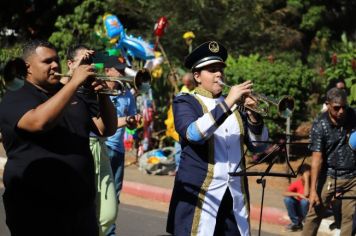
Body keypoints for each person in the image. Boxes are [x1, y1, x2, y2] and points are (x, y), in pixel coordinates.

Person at [0, 39, 117, 236]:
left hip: (80, 209)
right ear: (27, 67)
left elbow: (105, 129)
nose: (55, 65)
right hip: (35, 210)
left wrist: (103, 94)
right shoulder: (16, 95)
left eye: (56, 60)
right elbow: (39, 122)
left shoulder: (71, 94)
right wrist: (73, 84)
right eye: (47, 61)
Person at [166, 41, 269, 236]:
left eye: (220, 69)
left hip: (234, 196)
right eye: (212, 70)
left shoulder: (236, 105)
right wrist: (230, 101)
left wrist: (254, 116)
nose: (219, 74)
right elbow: (194, 134)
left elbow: (259, 146)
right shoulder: (185, 101)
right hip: (200, 194)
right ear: (197, 76)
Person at [66, 44, 118, 236]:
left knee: (108, 213)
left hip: (98, 148)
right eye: (84, 62)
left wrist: (103, 95)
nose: (89, 67)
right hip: (77, 151)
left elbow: (105, 129)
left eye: (91, 63)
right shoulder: (59, 87)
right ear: (70, 64)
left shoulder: (89, 90)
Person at [302, 87, 356, 236]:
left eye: (344, 107)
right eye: (337, 108)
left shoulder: (353, 115)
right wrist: (313, 191)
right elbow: (317, 159)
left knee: (350, 218)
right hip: (329, 176)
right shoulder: (320, 125)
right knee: (314, 213)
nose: (341, 111)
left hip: (353, 177)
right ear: (328, 104)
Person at [104, 56, 142, 236]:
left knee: (114, 196)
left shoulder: (127, 94)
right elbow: (104, 123)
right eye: (118, 70)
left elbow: (131, 123)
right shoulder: (99, 91)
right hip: (101, 147)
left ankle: (109, 232)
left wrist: (134, 122)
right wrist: (126, 120)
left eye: (123, 70)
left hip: (118, 150)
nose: (122, 74)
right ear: (107, 71)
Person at [165, 72, 195, 175]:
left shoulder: (197, 92)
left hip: (192, 126)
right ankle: (178, 169)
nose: (186, 85)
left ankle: (188, 170)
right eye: (185, 83)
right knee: (178, 149)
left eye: (188, 83)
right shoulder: (182, 90)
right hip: (179, 125)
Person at [283, 163, 311, 231]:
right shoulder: (298, 183)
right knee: (287, 199)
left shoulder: (313, 183)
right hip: (300, 209)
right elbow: (284, 193)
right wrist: (298, 194)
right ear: (301, 175)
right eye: (305, 175)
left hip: (310, 209)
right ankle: (296, 223)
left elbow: (306, 194)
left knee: (304, 201)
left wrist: (307, 179)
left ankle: (305, 222)